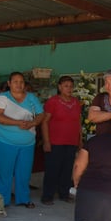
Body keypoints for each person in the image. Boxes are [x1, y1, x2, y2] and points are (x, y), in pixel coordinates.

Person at [0, 71, 44, 208]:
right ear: (9, 83)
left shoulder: (31, 97)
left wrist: (32, 123)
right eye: (15, 81)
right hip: (4, 141)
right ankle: (2, 201)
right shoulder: (3, 98)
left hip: (28, 143)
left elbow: (40, 114)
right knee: (4, 173)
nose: (19, 84)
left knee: (24, 173)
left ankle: (23, 199)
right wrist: (17, 123)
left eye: (21, 82)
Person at [41, 75, 82, 205]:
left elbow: (78, 122)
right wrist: (46, 141)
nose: (69, 89)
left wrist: (80, 139)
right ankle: (47, 196)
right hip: (55, 142)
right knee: (52, 169)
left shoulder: (76, 102)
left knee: (67, 169)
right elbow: (44, 122)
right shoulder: (52, 102)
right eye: (66, 86)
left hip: (71, 141)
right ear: (59, 87)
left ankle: (64, 194)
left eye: (71, 86)